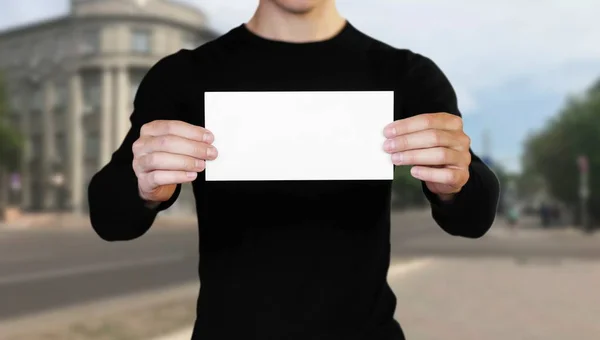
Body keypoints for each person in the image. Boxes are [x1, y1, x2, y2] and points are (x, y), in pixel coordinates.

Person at [87, 0, 500, 339]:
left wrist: (454, 183)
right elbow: (110, 216)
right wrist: (144, 186)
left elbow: (474, 216)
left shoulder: (406, 75)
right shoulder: (184, 76)